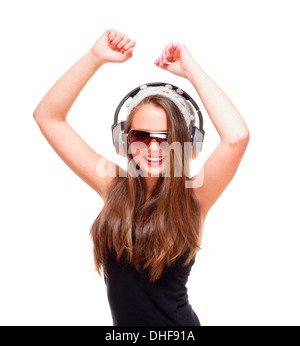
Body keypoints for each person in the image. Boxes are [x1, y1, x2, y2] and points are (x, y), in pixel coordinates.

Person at [33, 29, 250, 326]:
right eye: (141, 136)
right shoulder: (113, 183)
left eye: (164, 137)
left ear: (181, 144)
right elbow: (48, 116)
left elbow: (237, 137)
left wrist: (191, 70)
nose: (152, 147)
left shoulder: (195, 196)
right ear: (125, 141)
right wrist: (94, 57)